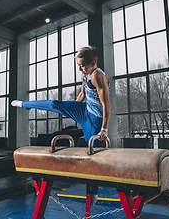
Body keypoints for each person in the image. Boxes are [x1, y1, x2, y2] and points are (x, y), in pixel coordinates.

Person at [11, 46, 111, 206]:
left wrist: (104, 129)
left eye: (83, 65)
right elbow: (82, 95)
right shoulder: (84, 75)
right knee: (54, 103)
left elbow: (106, 104)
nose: (80, 68)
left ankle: (93, 193)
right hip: (84, 111)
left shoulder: (98, 76)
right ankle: (25, 104)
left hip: (96, 120)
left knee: (92, 158)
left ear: (93, 63)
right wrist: (70, 109)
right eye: (78, 65)